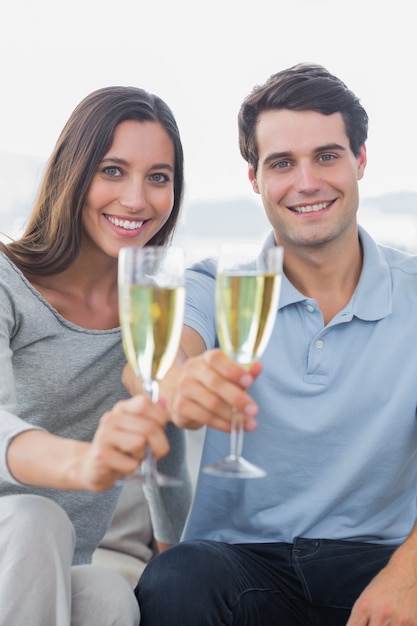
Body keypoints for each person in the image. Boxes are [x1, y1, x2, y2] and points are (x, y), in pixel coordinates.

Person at [133, 63, 417, 625]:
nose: (306, 182)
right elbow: (163, 356)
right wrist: (178, 384)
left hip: (378, 563)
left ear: (360, 161)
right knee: (176, 579)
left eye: (327, 156)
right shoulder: (216, 284)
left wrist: (408, 575)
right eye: (282, 163)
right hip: (240, 569)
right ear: (255, 179)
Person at [0, 85, 192, 626]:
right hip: (16, 537)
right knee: (37, 517)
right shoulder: (8, 282)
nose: (136, 199)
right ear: (73, 173)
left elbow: (165, 438)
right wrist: (82, 463)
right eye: (112, 170)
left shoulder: (147, 304)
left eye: (158, 177)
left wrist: (180, 553)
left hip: (63, 562)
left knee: (109, 597)